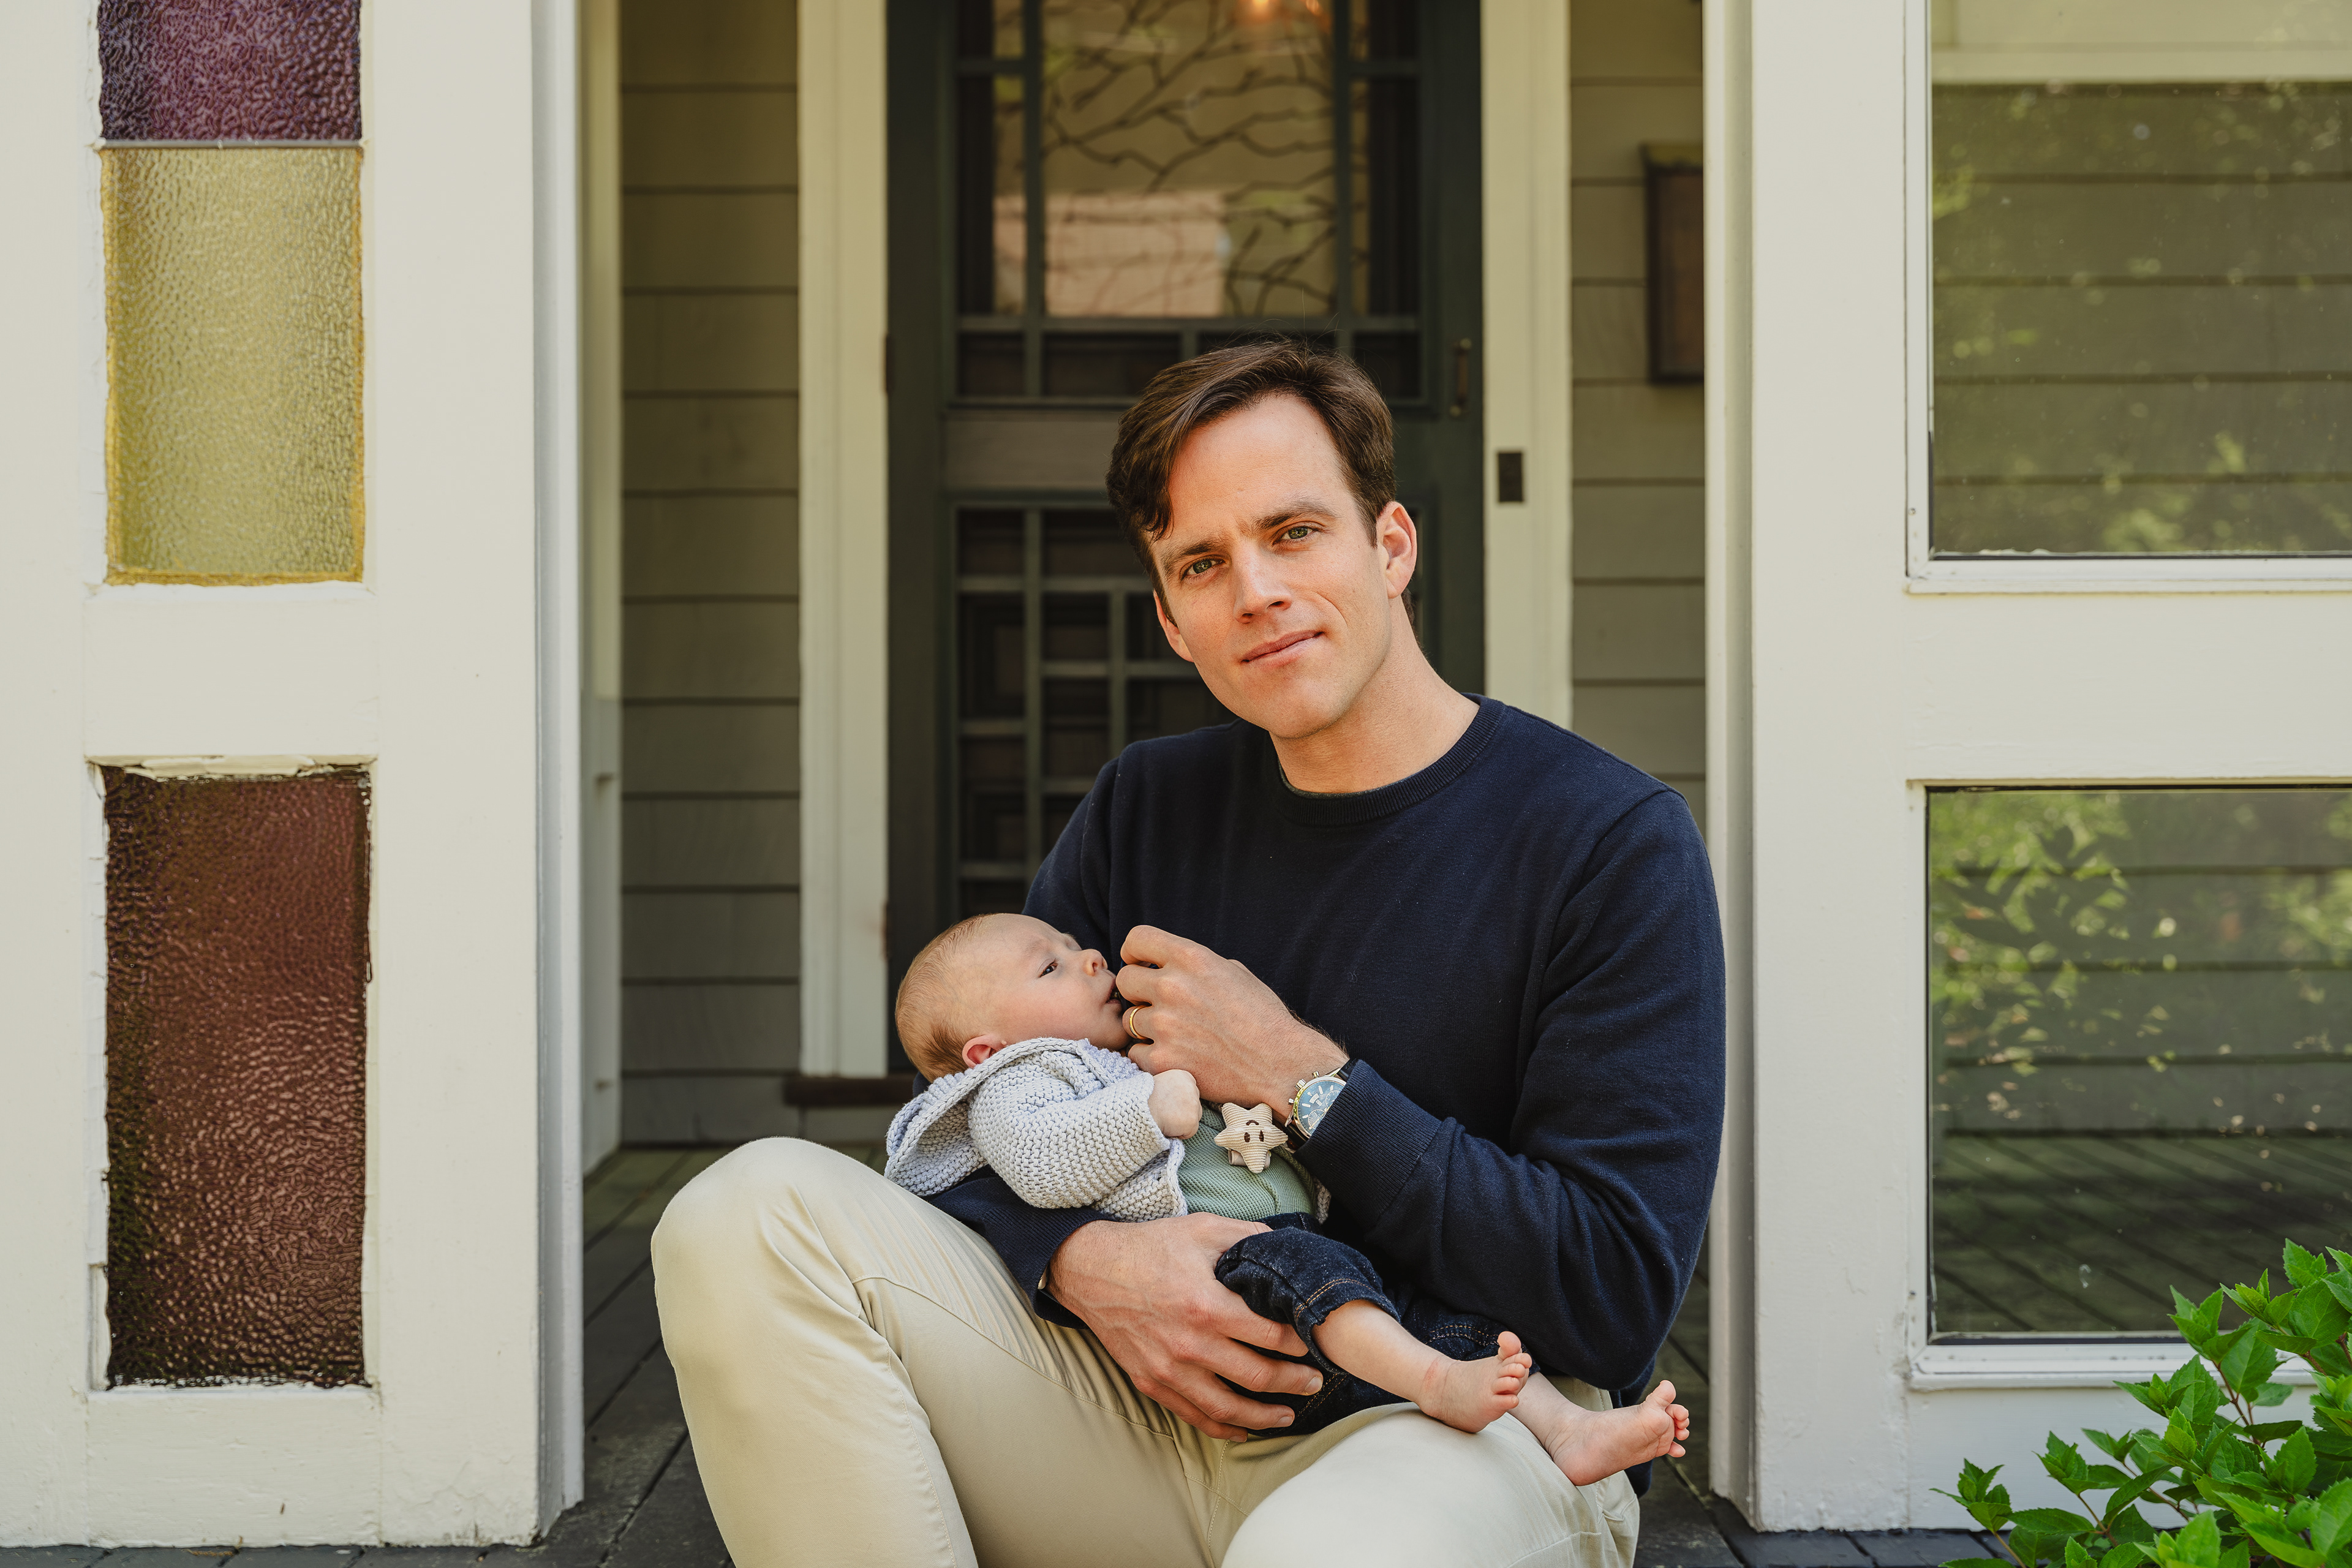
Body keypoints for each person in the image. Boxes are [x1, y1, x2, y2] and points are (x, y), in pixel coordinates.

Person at [652, 342, 1725, 1568]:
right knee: (742, 1216)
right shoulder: (1146, 808)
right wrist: (1085, 1261)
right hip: (1128, 1411)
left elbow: (1610, 1291)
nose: (1256, 591)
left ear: (1390, 546)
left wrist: (1309, 1081)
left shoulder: (1607, 842)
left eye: (1295, 532)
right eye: (1202, 563)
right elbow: (973, 1122)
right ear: (1172, 618)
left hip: (1456, 1424)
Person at [880, 910, 1692, 1476]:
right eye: (1051, 965)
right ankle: (1435, 1384)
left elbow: (1614, 1289)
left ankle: (1567, 1430)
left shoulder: (1107, 1048)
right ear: (986, 1050)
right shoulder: (1021, 1081)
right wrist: (1121, 1164)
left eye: (1071, 945)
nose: (1091, 956)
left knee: (1448, 1321)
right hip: (1232, 1283)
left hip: (1312, 1271)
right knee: (1326, 1283)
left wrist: (1295, 1081)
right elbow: (1032, 1161)